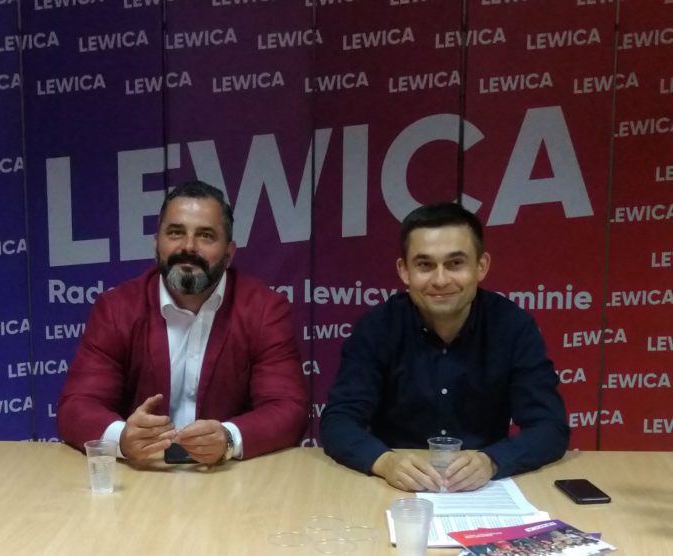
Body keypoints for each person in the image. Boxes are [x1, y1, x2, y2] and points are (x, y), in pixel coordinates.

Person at [320, 202, 569, 491]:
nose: (440, 280)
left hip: (484, 487)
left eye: (455, 264)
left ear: (481, 266)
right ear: (404, 271)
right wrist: (384, 462)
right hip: (395, 488)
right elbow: (338, 421)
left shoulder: (513, 326)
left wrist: (493, 461)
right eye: (425, 265)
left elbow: (550, 427)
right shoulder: (377, 328)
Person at [57, 181, 307, 464]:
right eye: (175, 233)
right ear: (156, 243)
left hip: (227, 476)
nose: (188, 247)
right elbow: (77, 406)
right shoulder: (117, 309)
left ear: (229, 254)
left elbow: (288, 408)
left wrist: (229, 438)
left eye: (206, 236)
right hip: (143, 473)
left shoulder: (264, 310)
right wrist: (122, 438)